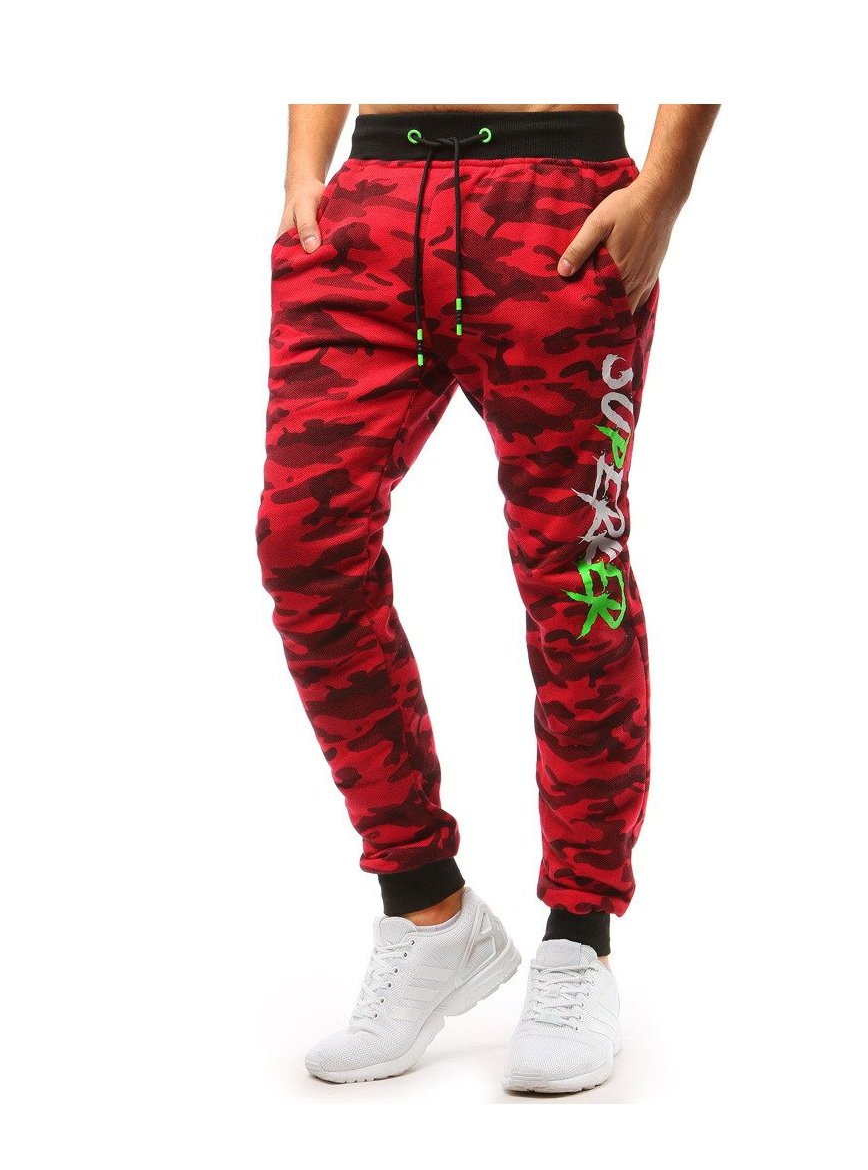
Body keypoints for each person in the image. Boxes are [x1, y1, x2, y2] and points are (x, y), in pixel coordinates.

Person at [257, 103, 719, 1092]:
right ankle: (428, 909)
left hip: (560, 207)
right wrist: (305, 170)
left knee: (576, 572)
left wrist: (664, 191)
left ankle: (579, 940)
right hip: (372, 208)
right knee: (303, 545)